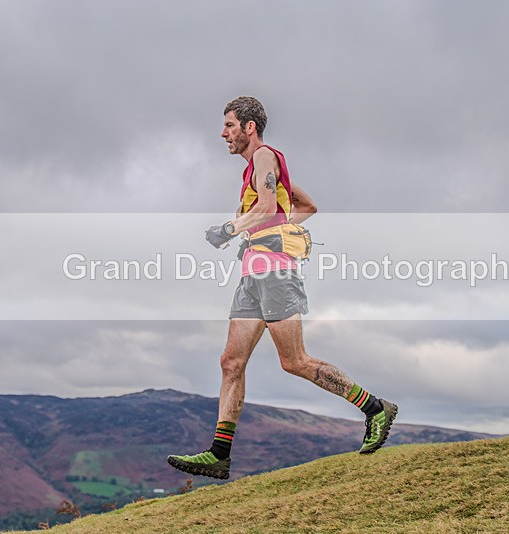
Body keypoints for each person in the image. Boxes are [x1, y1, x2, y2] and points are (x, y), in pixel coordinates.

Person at [167, 96, 397, 478]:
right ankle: (219, 454)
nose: (223, 133)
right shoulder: (258, 168)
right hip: (253, 272)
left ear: (249, 127)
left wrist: (229, 229)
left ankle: (375, 408)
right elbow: (306, 206)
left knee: (294, 361)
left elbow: (265, 206)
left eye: (229, 125)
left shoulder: (263, 157)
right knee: (231, 362)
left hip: (275, 272)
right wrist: (270, 228)